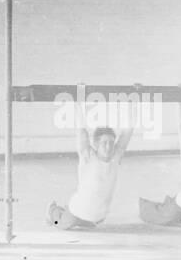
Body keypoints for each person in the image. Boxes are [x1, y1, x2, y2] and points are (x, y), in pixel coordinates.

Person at [48, 97, 135, 230]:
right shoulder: (88, 156)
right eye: (104, 143)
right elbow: (81, 130)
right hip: (77, 211)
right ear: (96, 144)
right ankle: (52, 210)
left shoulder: (116, 157)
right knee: (58, 223)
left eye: (111, 142)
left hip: (97, 218)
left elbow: (128, 130)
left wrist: (131, 105)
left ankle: (65, 211)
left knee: (88, 225)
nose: (108, 146)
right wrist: (78, 102)